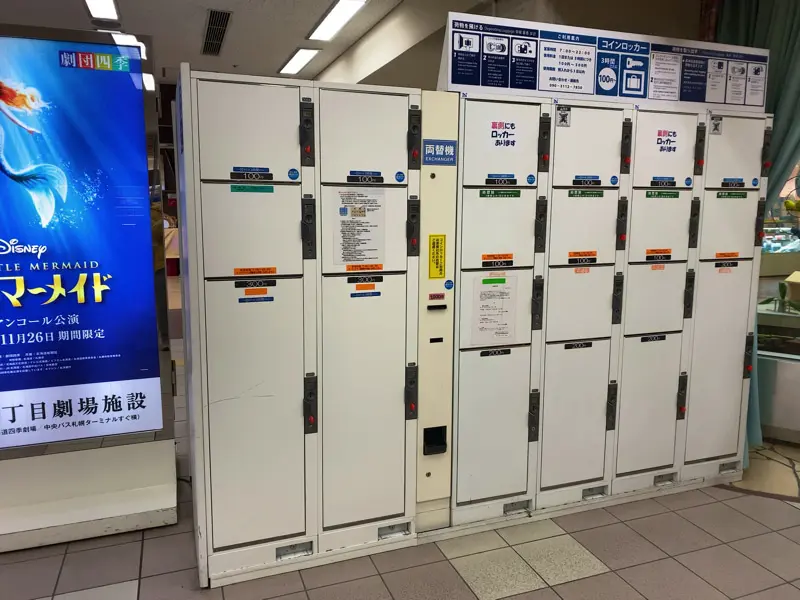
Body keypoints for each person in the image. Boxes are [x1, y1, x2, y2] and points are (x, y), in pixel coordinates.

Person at [151, 199, 170, 351]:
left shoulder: (159, 212)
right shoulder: (155, 214)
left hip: (159, 265)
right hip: (153, 265)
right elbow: (154, 233)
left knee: (162, 303)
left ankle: (165, 337)